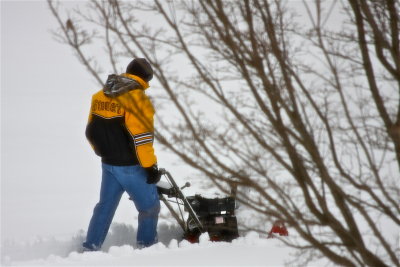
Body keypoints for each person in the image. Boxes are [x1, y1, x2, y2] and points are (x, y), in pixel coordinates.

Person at [82, 58, 161, 251]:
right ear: (145, 78)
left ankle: (90, 248)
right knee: (150, 207)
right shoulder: (138, 99)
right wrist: (150, 167)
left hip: (108, 164)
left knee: (105, 207)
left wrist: (103, 152)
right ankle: (147, 248)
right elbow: (141, 139)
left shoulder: (100, 95)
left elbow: (91, 131)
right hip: (131, 166)